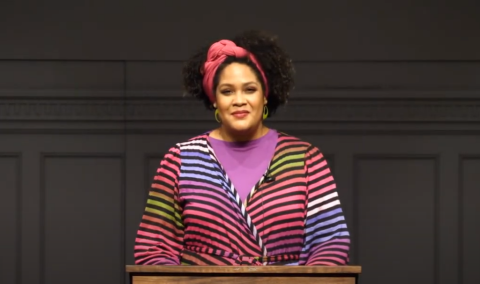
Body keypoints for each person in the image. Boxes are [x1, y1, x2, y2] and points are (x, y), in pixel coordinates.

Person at [133, 30, 351, 266]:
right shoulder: (181, 159)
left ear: (265, 95)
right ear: (214, 98)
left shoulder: (306, 159)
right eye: (227, 91)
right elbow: (154, 247)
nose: (239, 100)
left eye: (250, 89)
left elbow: (330, 243)